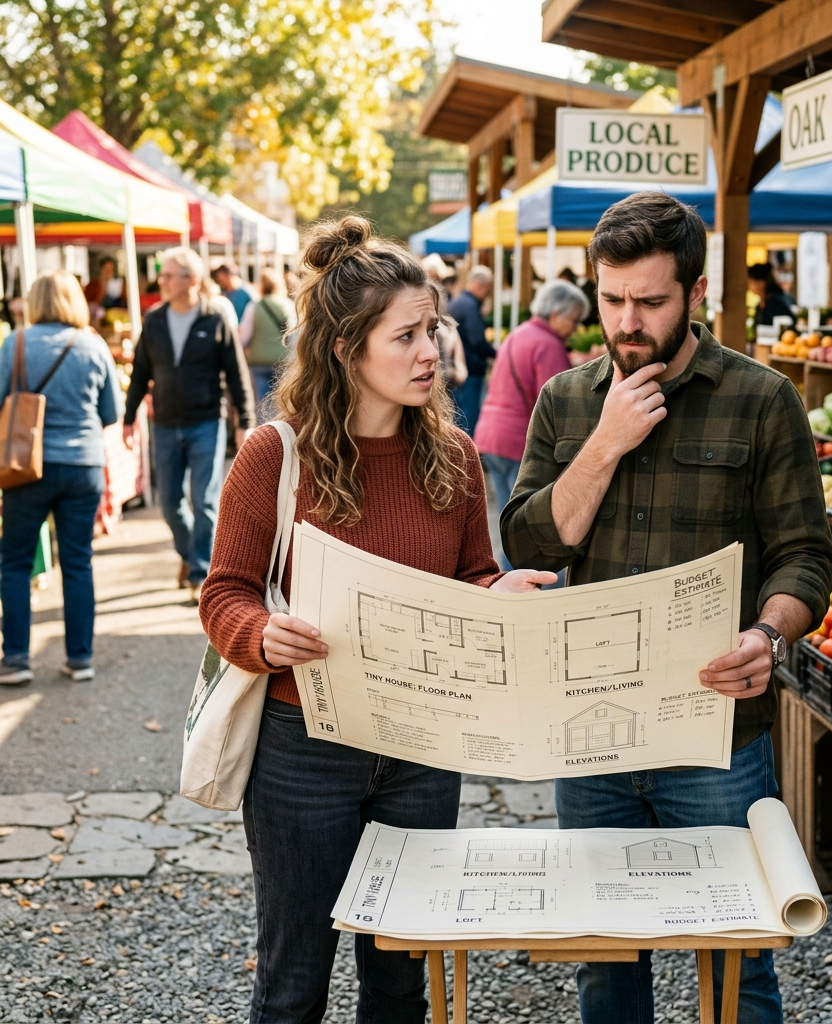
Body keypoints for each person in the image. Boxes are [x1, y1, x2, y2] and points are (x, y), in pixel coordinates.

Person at [198, 215, 555, 1023]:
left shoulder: (457, 457)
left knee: (401, 981)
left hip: (425, 750)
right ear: (345, 349)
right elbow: (225, 592)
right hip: (302, 755)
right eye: (407, 337)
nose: (432, 350)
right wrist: (259, 635)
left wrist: (494, 598)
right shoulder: (275, 454)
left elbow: (472, 575)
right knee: (294, 983)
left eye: (431, 329)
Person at [501, 192, 832, 1024]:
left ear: (695, 295)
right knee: (605, 963)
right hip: (592, 730)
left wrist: (769, 632)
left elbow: (805, 555)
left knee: (740, 956)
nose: (627, 321)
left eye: (650, 301)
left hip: (719, 734)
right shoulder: (568, 402)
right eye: (612, 299)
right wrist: (607, 441)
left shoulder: (763, 399)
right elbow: (532, 547)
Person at [0, 270, 123, 685]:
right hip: (83, 465)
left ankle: (16, 658)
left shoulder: (14, 343)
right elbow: (111, 414)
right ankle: (80, 658)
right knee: (77, 562)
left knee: (14, 562)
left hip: (25, 466)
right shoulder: (93, 344)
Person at [122, 247, 255, 604]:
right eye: (162, 276)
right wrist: (128, 417)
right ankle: (188, 554)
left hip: (205, 422)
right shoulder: (154, 320)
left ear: (191, 280)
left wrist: (245, 420)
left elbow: (236, 373)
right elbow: (140, 373)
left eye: (168, 276)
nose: (161, 282)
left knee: (205, 500)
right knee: (170, 503)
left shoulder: (215, 319)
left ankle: (199, 571)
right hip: (164, 423)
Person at [474, 279, 588, 569]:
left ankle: (507, 579)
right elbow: (560, 405)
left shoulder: (521, 333)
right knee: (527, 530)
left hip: (490, 436)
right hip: (516, 440)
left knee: (506, 519)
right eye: (574, 320)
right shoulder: (548, 344)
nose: (576, 328)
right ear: (555, 314)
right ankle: (526, 591)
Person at [240, 270, 296, 423]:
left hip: (258, 361)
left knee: (261, 402)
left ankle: (263, 435)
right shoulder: (288, 305)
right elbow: (294, 336)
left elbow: (244, 335)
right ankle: (280, 433)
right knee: (281, 402)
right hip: (282, 359)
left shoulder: (254, 306)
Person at [447, 265, 495, 435]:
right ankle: (467, 457)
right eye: (487, 288)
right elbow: (477, 341)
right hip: (470, 371)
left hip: (456, 368)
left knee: (457, 417)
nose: (487, 293)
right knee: (468, 420)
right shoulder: (470, 306)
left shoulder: (458, 302)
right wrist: (496, 353)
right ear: (479, 285)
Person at [747, 263, 796, 327]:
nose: (748, 286)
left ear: (761, 283)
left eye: (750, 282)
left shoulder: (776, 302)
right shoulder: (761, 304)